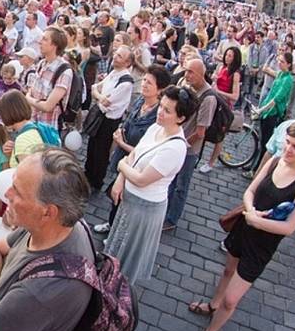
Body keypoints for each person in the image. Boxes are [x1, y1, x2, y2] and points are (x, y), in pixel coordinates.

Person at [188, 121, 295, 331]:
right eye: (288, 142)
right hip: (245, 228)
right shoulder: (276, 160)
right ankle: (212, 305)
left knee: (232, 299)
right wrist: (252, 213)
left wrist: (258, 222)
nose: (289, 149)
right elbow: (250, 191)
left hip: (262, 245)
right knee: (227, 271)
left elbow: (290, 227)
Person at [0, 148, 94, 331]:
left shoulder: (38, 293)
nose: (6, 194)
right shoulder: (60, 225)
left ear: (48, 212)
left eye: (17, 191)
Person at [104, 86, 194, 282]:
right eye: (161, 106)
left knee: (126, 264)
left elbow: (141, 179)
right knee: (114, 251)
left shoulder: (175, 148)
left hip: (144, 208)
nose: (160, 112)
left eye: (167, 110)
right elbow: (135, 154)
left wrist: (120, 166)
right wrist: (120, 179)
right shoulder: (156, 127)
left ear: (181, 118)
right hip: (129, 200)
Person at [94, 65, 171, 234]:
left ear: (160, 89)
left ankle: (118, 232)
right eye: (144, 80)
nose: (143, 84)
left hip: (137, 165)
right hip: (123, 157)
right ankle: (112, 223)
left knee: (125, 200)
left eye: (149, 83)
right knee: (116, 195)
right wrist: (121, 129)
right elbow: (127, 121)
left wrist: (121, 143)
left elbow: (146, 150)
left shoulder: (158, 116)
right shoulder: (139, 102)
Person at [163, 58, 217, 231]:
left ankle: (171, 219)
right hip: (176, 141)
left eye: (191, 72)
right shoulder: (187, 86)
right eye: (186, 70)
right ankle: (165, 210)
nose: (186, 75)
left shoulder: (208, 98)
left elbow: (200, 132)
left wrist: (181, 144)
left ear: (202, 74)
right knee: (170, 180)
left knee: (181, 186)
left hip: (188, 149)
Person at [84, 45, 134, 191]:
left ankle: (96, 181)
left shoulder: (126, 82)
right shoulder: (113, 73)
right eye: (116, 54)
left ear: (127, 63)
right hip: (100, 115)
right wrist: (100, 96)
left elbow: (107, 103)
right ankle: (87, 174)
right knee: (91, 147)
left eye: (119, 56)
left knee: (101, 151)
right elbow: (95, 88)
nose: (115, 57)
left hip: (109, 121)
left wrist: (99, 96)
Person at [243, 52, 293, 176]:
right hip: (267, 112)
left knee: (266, 143)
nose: (279, 63)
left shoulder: (288, 79)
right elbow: (270, 94)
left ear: (289, 64)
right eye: (279, 61)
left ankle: (256, 171)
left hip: (274, 114)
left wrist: (262, 109)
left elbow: (276, 99)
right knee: (261, 141)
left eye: (282, 62)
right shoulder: (280, 74)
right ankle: (253, 163)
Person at [200, 46, 242, 173]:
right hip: (214, 101)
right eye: (227, 55)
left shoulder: (235, 74)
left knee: (219, 136)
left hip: (224, 106)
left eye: (230, 56)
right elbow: (215, 81)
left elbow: (235, 96)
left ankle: (211, 163)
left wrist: (219, 92)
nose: (227, 58)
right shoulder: (221, 67)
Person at [26, 27, 73, 132]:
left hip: (48, 129)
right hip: (33, 123)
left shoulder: (64, 71)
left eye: (45, 39)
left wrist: (28, 99)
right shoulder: (42, 63)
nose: (40, 42)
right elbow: (32, 90)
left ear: (54, 45)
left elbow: (48, 106)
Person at [0, 90, 44, 168]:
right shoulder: (35, 129)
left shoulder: (22, 140)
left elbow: (27, 176)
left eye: (1, 115)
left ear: (8, 113)